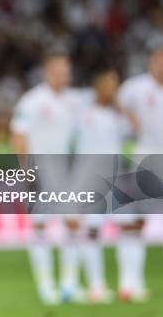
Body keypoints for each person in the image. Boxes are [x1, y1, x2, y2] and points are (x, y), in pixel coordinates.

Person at [10, 54, 80, 304]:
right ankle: (46, 286)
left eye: (66, 70)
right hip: (38, 168)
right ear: (47, 72)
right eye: (58, 70)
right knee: (40, 226)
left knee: (72, 223)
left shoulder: (74, 101)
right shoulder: (32, 101)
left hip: (65, 169)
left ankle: (69, 285)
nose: (63, 75)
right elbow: (18, 136)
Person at [72, 68, 129, 303]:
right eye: (109, 84)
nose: (114, 89)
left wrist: (120, 107)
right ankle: (96, 286)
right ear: (98, 87)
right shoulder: (82, 111)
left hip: (118, 177)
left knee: (129, 229)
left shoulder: (119, 116)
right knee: (91, 231)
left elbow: (135, 127)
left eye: (116, 85)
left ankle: (130, 284)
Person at [113, 41, 163, 302]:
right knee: (134, 223)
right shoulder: (136, 88)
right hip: (144, 162)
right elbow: (112, 102)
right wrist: (127, 118)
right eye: (158, 59)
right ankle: (129, 283)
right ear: (150, 62)